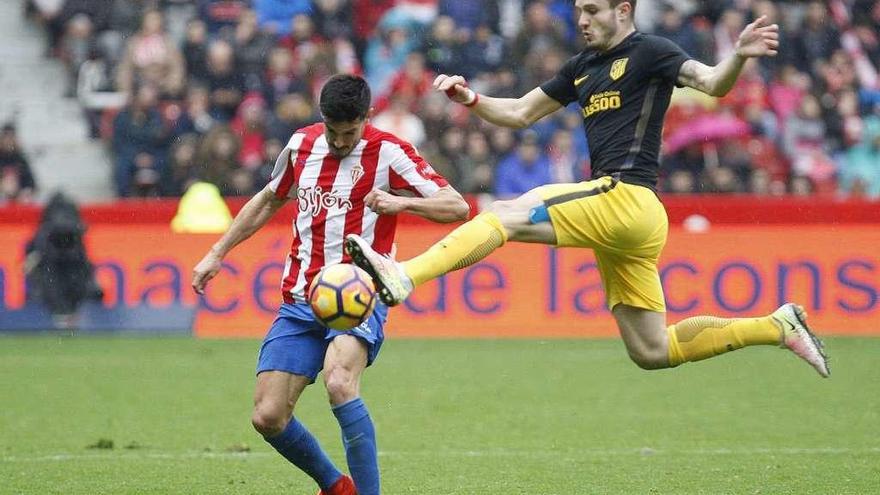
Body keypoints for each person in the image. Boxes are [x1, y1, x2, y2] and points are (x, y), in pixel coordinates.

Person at [345, 0, 830, 378]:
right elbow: (519, 112)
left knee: (512, 212)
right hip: (626, 223)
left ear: (623, 11)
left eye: (593, 10)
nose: (582, 19)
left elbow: (711, 83)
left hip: (626, 196)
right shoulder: (582, 66)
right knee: (651, 351)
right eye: (579, 10)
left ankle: (405, 275)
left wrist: (738, 58)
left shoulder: (652, 51)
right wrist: (471, 98)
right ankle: (777, 325)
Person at [191, 74, 468, 495]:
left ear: (367, 117)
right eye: (332, 132)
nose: (339, 143)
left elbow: (457, 206)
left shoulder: (389, 152)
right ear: (321, 118)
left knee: (339, 382)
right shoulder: (302, 145)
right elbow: (269, 198)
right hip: (302, 299)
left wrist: (401, 202)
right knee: (267, 416)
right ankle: (336, 486)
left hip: (360, 295)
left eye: (349, 133)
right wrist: (217, 252)